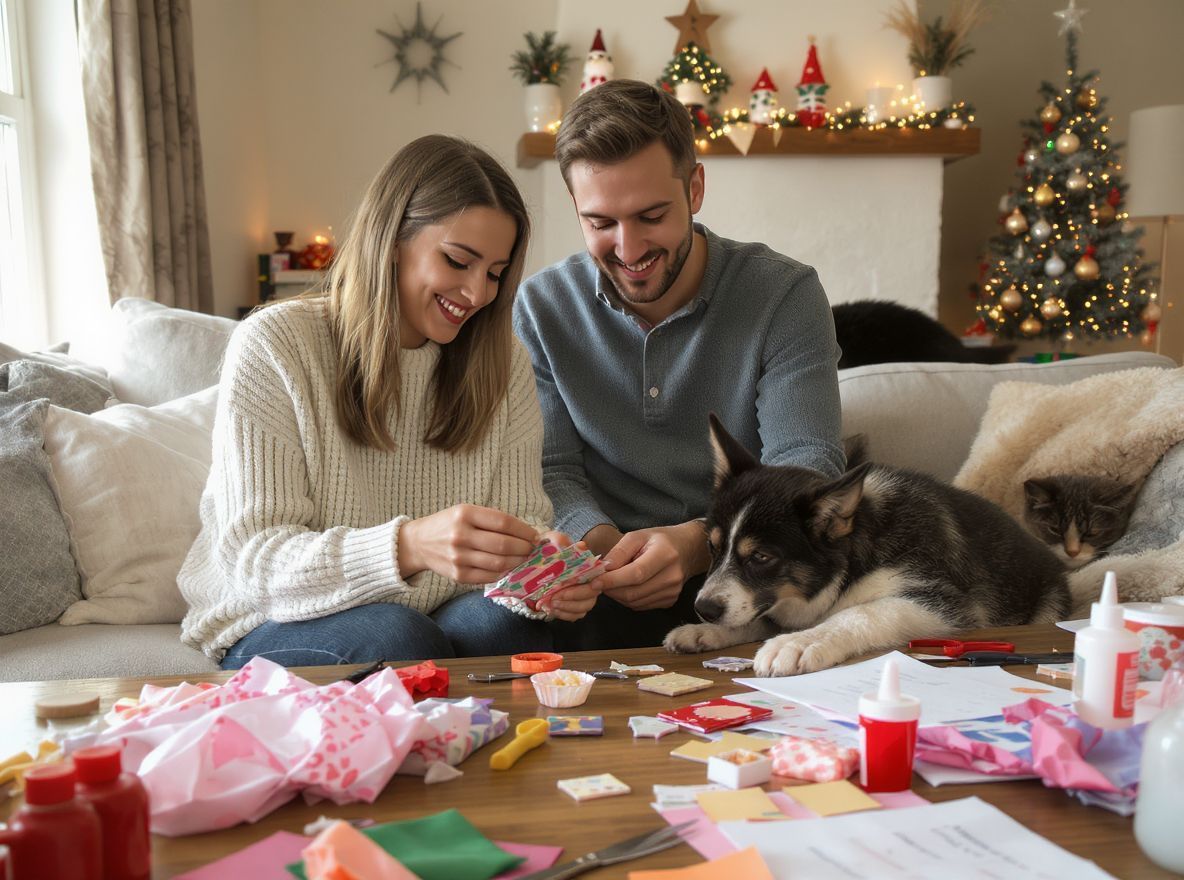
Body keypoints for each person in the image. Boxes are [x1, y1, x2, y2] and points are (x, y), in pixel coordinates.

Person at [179, 135, 597, 670]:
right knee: (399, 638)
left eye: (494, 273)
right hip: (272, 615)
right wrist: (409, 545)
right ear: (391, 238)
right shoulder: (276, 344)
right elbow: (259, 564)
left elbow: (520, 524)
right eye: (457, 261)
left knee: (511, 626)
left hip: (435, 612)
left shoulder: (502, 362)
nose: (477, 294)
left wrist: (546, 578)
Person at [514, 80, 846, 650]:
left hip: (747, 584)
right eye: (601, 223)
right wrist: (606, 551)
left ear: (694, 188)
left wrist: (698, 543)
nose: (629, 248)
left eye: (651, 215)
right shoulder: (543, 307)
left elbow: (807, 463)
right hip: (599, 581)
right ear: (575, 209)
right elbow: (552, 468)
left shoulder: (784, 293)